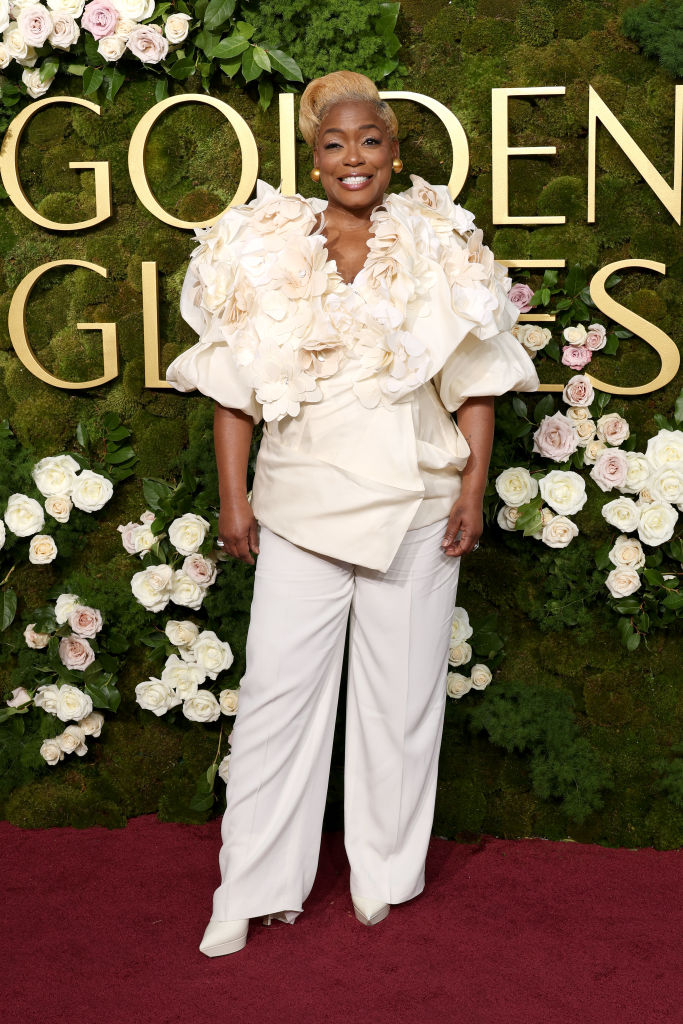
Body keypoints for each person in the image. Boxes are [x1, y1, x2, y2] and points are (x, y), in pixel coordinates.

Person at [166, 70, 539, 958]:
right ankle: (249, 889)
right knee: (274, 702)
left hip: (417, 502)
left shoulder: (441, 242)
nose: (352, 158)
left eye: (368, 140)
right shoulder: (256, 243)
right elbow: (231, 391)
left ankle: (383, 876)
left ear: (393, 150)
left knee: (400, 703)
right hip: (297, 502)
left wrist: (472, 486)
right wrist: (235, 499)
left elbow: (474, 380)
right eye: (334, 144)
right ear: (313, 155)